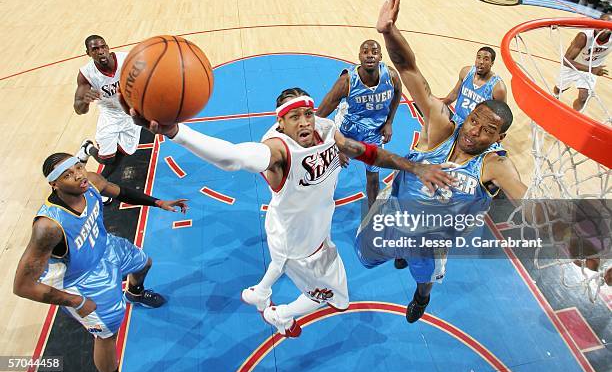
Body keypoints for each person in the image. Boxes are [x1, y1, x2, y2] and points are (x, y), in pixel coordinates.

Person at [121, 88, 455, 337]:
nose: (305, 121)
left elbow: (364, 151)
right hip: (298, 240)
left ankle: (264, 295)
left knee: (317, 280)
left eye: (307, 114)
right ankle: (277, 312)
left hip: (306, 229)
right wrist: (176, 132)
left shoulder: (325, 131)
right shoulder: (278, 150)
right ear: (280, 123)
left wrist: (413, 167)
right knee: (337, 298)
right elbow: (232, 157)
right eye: (295, 117)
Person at [356, 0, 533, 324]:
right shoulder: (440, 127)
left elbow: (528, 198)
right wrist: (389, 31)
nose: (474, 131)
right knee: (371, 251)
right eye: (474, 121)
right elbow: (409, 70)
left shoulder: (495, 164)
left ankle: (422, 296)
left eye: (486, 131)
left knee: (423, 277)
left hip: (432, 239)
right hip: (393, 216)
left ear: (499, 138)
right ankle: (399, 254)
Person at [13, 154, 187, 372]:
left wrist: (158, 202)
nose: (78, 175)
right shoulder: (48, 227)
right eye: (68, 175)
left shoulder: (92, 182)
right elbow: (23, 286)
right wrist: (76, 301)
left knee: (144, 263)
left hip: (105, 248)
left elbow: (121, 192)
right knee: (107, 335)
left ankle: (134, 293)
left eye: (78, 167)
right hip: (81, 280)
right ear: (54, 184)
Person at [316, 40, 401, 208]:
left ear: (380, 57)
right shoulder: (347, 81)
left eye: (374, 52)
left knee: (373, 176)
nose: (370, 55)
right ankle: (319, 202)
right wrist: (336, 147)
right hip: (346, 129)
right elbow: (321, 114)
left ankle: (372, 216)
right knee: (330, 169)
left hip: (374, 133)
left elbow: (398, 93)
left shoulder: (391, 76)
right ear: (359, 56)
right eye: (365, 52)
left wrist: (389, 122)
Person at [74, 35, 141, 192]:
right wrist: (85, 100)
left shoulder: (128, 60)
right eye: (95, 49)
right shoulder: (86, 74)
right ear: (88, 53)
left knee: (124, 153)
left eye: (103, 47)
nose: (100, 52)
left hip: (131, 111)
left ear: (108, 47)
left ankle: (100, 180)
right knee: (107, 159)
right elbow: (78, 109)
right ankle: (88, 150)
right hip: (110, 113)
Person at [553, 12, 612, 111]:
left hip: (592, 69)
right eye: (602, 22)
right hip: (573, 65)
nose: (603, 26)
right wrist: (592, 69)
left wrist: (592, 70)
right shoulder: (584, 36)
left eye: (608, 24)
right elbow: (566, 60)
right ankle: (555, 96)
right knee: (560, 88)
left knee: (583, 98)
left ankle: (575, 116)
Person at [442, 47, 507, 123]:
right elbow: (454, 93)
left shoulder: (498, 88)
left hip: (476, 128)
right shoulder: (466, 72)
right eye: (479, 57)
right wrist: (441, 105)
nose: (481, 62)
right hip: (456, 119)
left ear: (492, 63)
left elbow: (502, 115)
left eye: (486, 59)